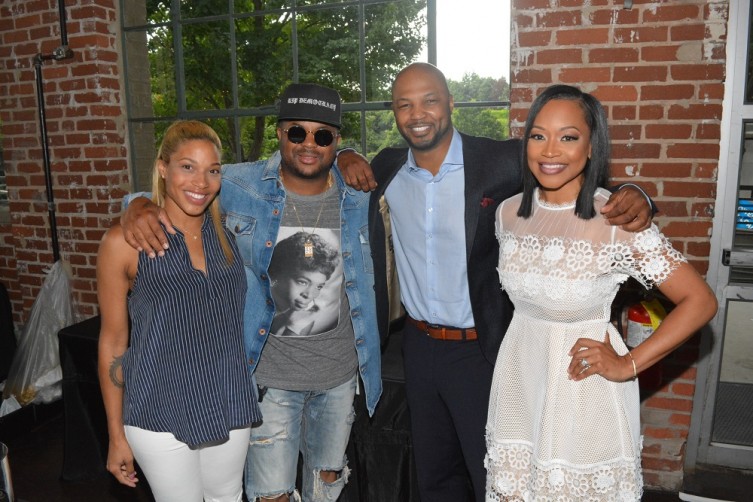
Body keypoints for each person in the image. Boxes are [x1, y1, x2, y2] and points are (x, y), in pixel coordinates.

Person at [337, 63, 656, 502]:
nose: (417, 114)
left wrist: (638, 194)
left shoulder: (500, 159)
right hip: (418, 347)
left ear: (450, 103)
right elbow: (322, 165)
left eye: (429, 100)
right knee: (434, 474)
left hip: (483, 349)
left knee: (494, 474)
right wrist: (343, 152)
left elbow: (570, 172)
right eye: (404, 105)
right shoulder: (386, 167)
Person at [119, 83, 381, 502]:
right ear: (279, 133)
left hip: (338, 378)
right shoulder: (242, 184)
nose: (309, 144)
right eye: (297, 132)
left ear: (337, 141)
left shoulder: (358, 192)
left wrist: (352, 156)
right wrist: (136, 205)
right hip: (269, 381)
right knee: (271, 495)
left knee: (326, 486)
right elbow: (184, 183)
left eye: (323, 135)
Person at [485, 84, 718, 501]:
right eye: (538, 135)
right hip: (520, 382)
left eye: (568, 137)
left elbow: (700, 301)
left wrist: (629, 364)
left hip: (583, 390)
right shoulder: (507, 213)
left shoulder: (616, 220)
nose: (550, 150)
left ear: (592, 146)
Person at [97, 120, 261, 501]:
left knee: (228, 497)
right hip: (159, 408)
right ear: (162, 168)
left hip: (228, 397)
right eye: (187, 166)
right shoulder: (124, 242)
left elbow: (284, 174)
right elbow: (113, 342)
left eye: (212, 170)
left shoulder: (228, 230)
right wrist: (116, 435)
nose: (201, 182)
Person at [269, 231, 340, 337]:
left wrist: (295, 328)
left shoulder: (301, 319)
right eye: (302, 282)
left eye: (319, 286)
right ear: (278, 273)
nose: (309, 295)